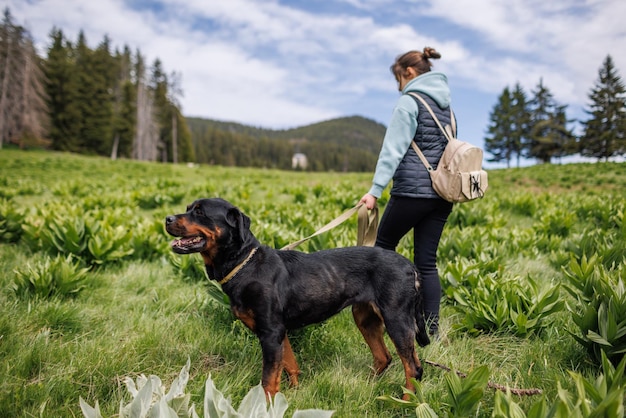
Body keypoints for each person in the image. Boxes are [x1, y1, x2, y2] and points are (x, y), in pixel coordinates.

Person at [359, 47, 454, 337]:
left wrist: (374, 192)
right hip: (442, 195)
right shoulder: (446, 106)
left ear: (408, 73)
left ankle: (391, 317)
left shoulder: (409, 101)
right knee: (427, 262)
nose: (399, 87)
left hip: (412, 193)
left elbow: (392, 151)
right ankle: (430, 331)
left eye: (398, 80)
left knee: (382, 250)